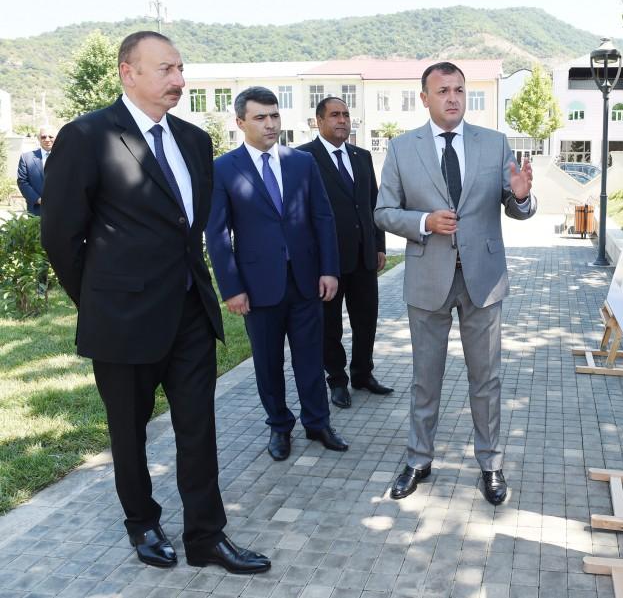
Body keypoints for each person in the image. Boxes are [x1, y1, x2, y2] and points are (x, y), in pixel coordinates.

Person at [40, 31, 269, 574]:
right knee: (129, 431)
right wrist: (97, 300)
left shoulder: (192, 140)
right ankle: (142, 523)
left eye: (181, 69)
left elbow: (190, 229)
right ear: (128, 72)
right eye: (165, 69)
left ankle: (206, 537)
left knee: (200, 428)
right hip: (122, 321)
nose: (179, 81)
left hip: (189, 312)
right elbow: (60, 236)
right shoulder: (88, 136)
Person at [375, 61, 536, 505]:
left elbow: (516, 206)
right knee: (425, 378)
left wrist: (521, 196)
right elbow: (383, 211)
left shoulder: (495, 144)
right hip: (428, 280)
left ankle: (491, 464)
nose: (453, 98)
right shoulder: (403, 149)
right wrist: (424, 221)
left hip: (482, 281)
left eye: (459, 90)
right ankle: (418, 459)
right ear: (424, 97)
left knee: (487, 379)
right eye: (443, 90)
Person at [206, 86, 348, 463]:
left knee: (310, 358)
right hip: (257, 288)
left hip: (306, 281)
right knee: (268, 363)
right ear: (240, 122)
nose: (270, 124)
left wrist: (330, 270)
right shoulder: (223, 169)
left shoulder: (302, 163)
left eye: (274, 116)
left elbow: (322, 218)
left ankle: (318, 423)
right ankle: (279, 427)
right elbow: (217, 234)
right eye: (260, 118)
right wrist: (231, 288)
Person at [296, 97, 393, 409]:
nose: (342, 120)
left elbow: (372, 204)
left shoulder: (361, 156)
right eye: (335, 115)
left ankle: (363, 374)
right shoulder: (302, 158)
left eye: (346, 114)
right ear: (318, 121)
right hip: (328, 262)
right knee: (330, 325)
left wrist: (379, 246)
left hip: (364, 256)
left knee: (367, 319)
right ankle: (337, 381)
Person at [17, 125, 56, 216]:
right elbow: (22, 182)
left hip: (60, 209)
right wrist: (38, 199)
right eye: (43, 137)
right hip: (36, 209)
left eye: (50, 136)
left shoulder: (65, 158)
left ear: (56, 138)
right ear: (38, 138)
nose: (47, 139)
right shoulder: (26, 158)